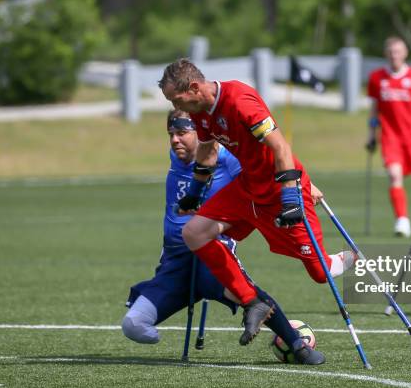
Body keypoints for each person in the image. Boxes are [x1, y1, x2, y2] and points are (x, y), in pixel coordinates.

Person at [158, 59, 355, 346]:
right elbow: (208, 150)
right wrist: (195, 191)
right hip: (247, 189)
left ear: (195, 88)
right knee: (194, 232)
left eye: (177, 99)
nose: (177, 106)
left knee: (320, 273)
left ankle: (349, 257)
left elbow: (280, 147)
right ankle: (252, 301)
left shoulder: (239, 100)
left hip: (279, 188)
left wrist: (289, 195)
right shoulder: (200, 112)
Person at [122, 109, 326, 364]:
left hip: (211, 253)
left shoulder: (227, 158)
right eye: (171, 134)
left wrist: (306, 185)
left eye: (183, 133)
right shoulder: (177, 155)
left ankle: (298, 345)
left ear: (203, 135)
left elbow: (266, 166)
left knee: (250, 297)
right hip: (174, 263)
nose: (175, 140)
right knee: (132, 324)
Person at [367, 36, 411, 237]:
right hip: (389, 136)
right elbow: (374, 111)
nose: (394, 56)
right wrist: (371, 136)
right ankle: (402, 220)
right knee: (395, 175)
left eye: (398, 51)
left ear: (405, 53)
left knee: (407, 174)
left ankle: (403, 215)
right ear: (385, 54)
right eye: (390, 52)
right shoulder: (376, 78)